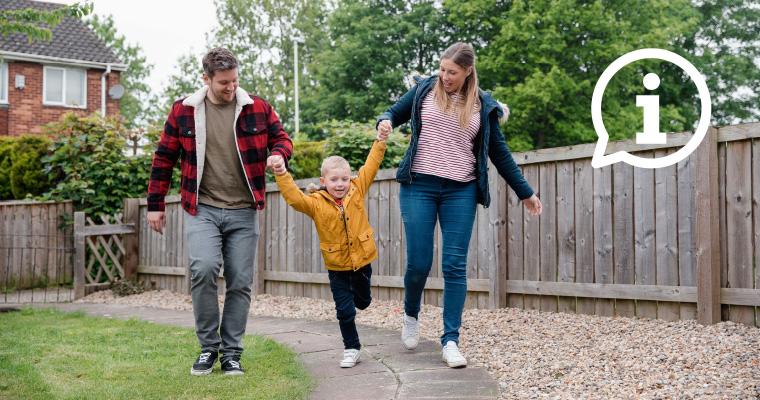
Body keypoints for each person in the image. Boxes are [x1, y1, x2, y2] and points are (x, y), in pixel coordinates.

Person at [376, 42, 542, 368]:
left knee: (454, 265)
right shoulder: (425, 89)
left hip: (460, 191)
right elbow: (393, 112)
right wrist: (384, 122)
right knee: (419, 262)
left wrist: (526, 192)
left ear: (467, 72)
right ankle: (411, 314)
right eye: (442, 69)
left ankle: (450, 340)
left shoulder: (483, 106)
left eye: (452, 72)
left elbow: (500, 154)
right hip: (419, 186)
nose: (445, 76)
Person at [146, 47, 293, 376]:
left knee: (241, 281)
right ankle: (208, 348)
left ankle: (232, 353)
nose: (231, 88)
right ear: (207, 79)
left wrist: (280, 155)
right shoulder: (183, 112)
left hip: (244, 210)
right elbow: (163, 159)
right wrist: (155, 205)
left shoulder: (257, 108)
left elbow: (282, 138)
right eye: (224, 82)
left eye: (235, 81)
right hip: (203, 209)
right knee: (204, 269)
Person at [269, 129, 389, 368]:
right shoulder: (315, 203)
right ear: (324, 182)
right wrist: (281, 173)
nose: (340, 184)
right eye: (334, 180)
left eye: (344, 179)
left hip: (363, 261)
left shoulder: (357, 189)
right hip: (337, 268)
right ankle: (351, 347)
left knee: (363, 302)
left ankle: (359, 301)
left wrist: (381, 140)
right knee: (345, 311)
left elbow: (371, 165)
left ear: (350, 178)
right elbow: (294, 198)